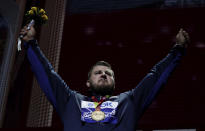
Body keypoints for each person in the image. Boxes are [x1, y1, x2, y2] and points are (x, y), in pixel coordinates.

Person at [20, 25, 189, 131]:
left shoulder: (129, 101)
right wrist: (30, 44)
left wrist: (178, 49)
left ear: (114, 83)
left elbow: (156, 76)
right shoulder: (71, 101)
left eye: (108, 74)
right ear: (88, 82)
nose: (103, 74)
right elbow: (47, 75)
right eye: (98, 72)